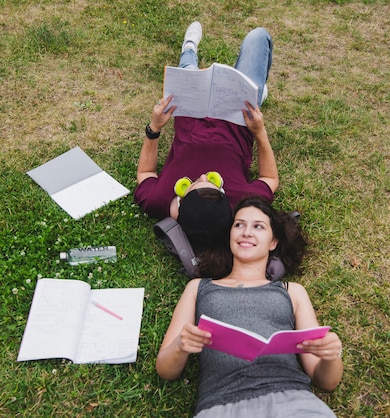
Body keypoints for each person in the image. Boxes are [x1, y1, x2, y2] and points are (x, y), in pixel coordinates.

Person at [156, 196, 343, 417]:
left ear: (273, 242)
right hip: (221, 405)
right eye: (239, 225)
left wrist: (330, 356)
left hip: (292, 400)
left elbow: (327, 382)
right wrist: (181, 345)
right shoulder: (198, 288)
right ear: (230, 236)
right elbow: (165, 370)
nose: (246, 232)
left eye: (258, 226)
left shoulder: (292, 291)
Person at [134, 22, 278, 251]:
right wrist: (260, 132)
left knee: (188, 71)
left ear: (180, 199)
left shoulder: (158, 200)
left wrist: (155, 127)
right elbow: (270, 180)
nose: (202, 176)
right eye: (212, 182)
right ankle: (257, 92)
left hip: (190, 112)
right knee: (258, 36)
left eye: (194, 184)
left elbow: (145, 173)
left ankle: (189, 48)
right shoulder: (242, 201)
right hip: (238, 115)